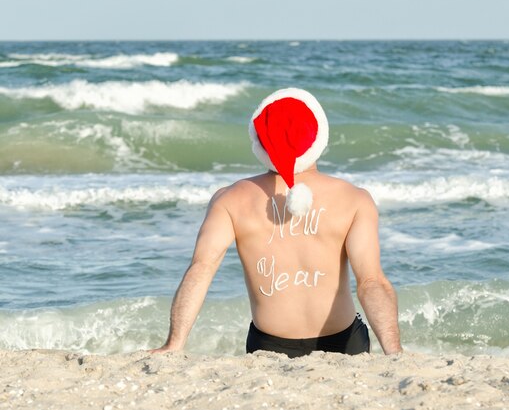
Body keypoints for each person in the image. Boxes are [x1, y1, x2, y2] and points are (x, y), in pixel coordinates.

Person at [151, 88, 402, 358]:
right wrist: (394, 352)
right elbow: (371, 282)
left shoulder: (230, 200)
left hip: (268, 346)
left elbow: (202, 269)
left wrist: (174, 345)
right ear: (318, 137)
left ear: (260, 143)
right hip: (344, 344)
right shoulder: (354, 199)